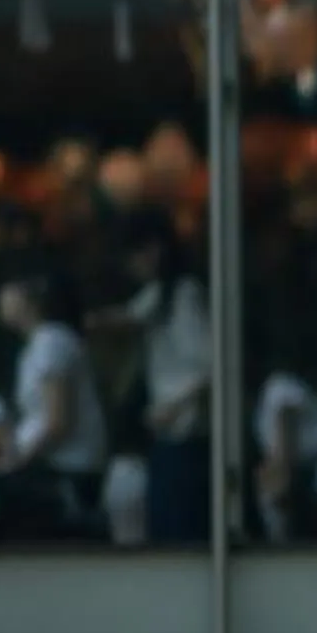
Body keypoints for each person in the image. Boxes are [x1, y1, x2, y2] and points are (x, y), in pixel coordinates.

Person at [90, 212, 211, 543]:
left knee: (178, 532)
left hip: (186, 431)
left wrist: (176, 405)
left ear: (153, 251)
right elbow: (128, 315)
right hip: (166, 432)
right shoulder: (158, 294)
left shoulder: (184, 296)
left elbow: (211, 366)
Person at [0, 271, 109, 538]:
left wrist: (18, 460)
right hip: (44, 461)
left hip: (66, 468)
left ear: (29, 299)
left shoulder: (53, 340)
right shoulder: (34, 346)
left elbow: (58, 422)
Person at [251, 367, 317, 541]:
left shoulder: (278, 385)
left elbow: (284, 439)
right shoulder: (259, 414)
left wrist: (279, 479)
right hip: (305, 474)